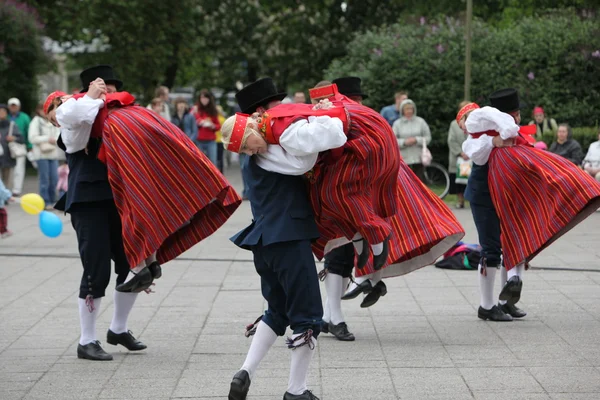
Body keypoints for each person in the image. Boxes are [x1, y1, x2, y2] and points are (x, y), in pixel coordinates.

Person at [460, 88, 600, 323]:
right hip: (484, 196)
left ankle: (506, 301)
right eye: (513, 114)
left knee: (516, 241)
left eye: (517, 114)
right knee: (491, 249)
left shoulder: (519, 137)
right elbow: (477, 154)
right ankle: (486, 306)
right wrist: (495, 141)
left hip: (511, 193)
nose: (517, 119)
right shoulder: (479, 137)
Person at [226, 77, 323, 400]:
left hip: (267, 240)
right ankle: (297, 390)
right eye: (275, 104)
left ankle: (245, 372)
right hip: (288, 237)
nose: (283, 109)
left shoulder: (254, 148)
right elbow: (304, 162)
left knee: (277, 311)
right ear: (260, 112)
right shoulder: (267, 149)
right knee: (308, 315)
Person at [28, 104, 61, 208]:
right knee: (44, 179)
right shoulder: (36, 121)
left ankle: (53, 199)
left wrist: (54, 139)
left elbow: (58, 134)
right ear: (38, 111)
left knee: (55, 179)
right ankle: (45, 201)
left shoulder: (53, 120)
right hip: (41, 155)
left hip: (53, 153)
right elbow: (32, 138)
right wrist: (47, 138)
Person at [392, 99, 432, 179]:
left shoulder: (421, 122)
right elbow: (393, 140)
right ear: (402, 110)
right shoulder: (397, 124)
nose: (409, 111)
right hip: (404, 159)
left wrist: (417, 140)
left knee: (419, 182)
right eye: (407, 109)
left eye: (411, 108)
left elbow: (428, 137)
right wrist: (404, 142)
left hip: (419, 158)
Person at [448, 100, 470, 209]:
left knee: (471, 180)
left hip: (471, 158)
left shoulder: (475, 123)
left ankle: (471, 200)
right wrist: (460, 152)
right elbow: (451, 140)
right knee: (458, 181)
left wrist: (470, 152)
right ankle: (460, 200)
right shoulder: (453, 124)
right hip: (458, 158)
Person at [7, 97, 30, 196]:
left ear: (19, 107)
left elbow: (28, 131)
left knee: (19, 169)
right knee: (9, 169)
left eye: (15, 106)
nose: (13, 108)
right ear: (9, 107)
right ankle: (8, 189)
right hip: (7, 146)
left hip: (20, 145)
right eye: (11, 106)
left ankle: (17, 189)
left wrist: (29, 145)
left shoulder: (25, 117)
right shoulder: (5, 117)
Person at [193, 89, 221, 165]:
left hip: (210, 141)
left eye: (206, 98)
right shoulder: (196, 109)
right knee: (199, 162)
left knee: (212, 162)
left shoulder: (213, 110)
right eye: (202, 98)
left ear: (209, 99)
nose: (204, 100)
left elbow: (218, 126)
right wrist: (200, 121)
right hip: (199, 140)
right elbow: (192, 121)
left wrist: (212, 125)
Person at [0, 104, 24, 188]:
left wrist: (13, 138)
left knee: (7, 182)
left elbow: (21, 139)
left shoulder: (12, 125)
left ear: (7, 113)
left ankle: (5, 199)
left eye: (3, 111)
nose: (1, 113)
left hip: (8, 158)